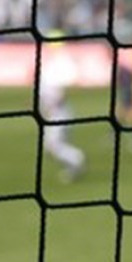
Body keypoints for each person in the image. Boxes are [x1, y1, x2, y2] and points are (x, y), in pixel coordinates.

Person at [39, 34, 86, 182]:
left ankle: (77, 159)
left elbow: (68, 84)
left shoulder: (60, 62)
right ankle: (72, 167)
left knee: (53, 145)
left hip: (59, 113)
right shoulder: (53, 62)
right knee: (52, 146)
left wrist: (56, 99)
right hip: (54, 112)